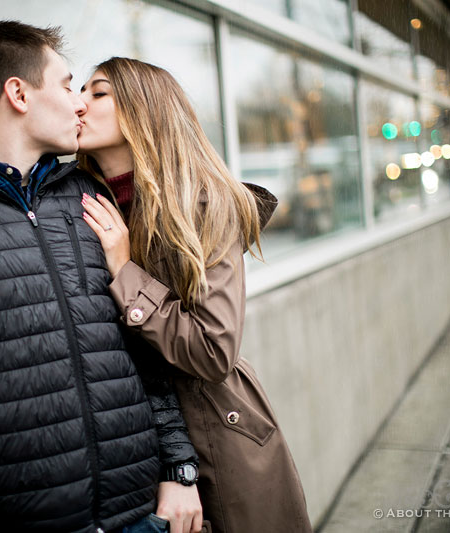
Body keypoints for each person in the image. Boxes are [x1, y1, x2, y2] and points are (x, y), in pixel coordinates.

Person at [0, 21, 203, 533]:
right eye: (68, 85)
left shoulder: (90, 199)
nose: (79, 104)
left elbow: (140, 353)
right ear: (18, 93)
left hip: (144, 516)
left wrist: (179, 468)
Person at [77, 58, 313, 532]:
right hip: (128, 445)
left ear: (144, 108)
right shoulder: (75, 198)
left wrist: (124, 271)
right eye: (78, 89)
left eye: (98, 92)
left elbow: (213, 350)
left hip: (217, 429)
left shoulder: (203, 207)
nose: (78, 103)